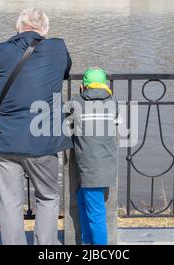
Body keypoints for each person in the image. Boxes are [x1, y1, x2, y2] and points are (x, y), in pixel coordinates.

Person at [0, 7, 72, 245]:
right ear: (45, 30)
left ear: (18, 27)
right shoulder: (58, 48)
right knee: (47, 197)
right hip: (43, 140)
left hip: (5, 141)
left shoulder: (1, 50)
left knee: (10, 202)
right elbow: (65, 71)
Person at [65, 67, 118, 245]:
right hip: (106, 165)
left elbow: (66, 122)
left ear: (83, 87)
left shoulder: (76, 103)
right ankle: (87, 242)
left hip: (90, 168)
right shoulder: (113, 103)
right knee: (82, 199)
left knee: (96, 214)